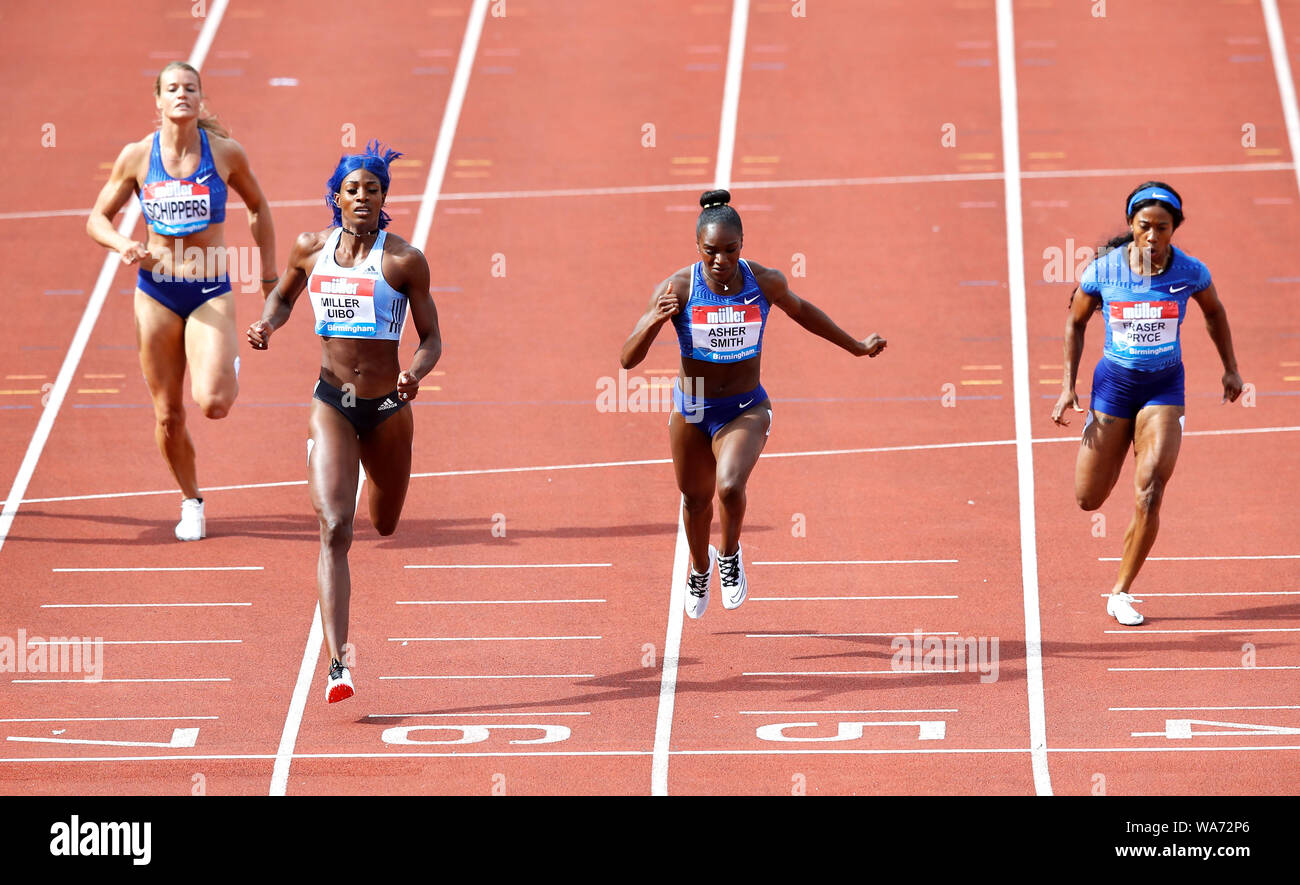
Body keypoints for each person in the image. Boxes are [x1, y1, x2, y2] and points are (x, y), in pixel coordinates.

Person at [620, 190, 887, 619]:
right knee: (694, 500)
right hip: (693, 410)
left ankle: (728, 555)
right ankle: (700, 567)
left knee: (729, 485)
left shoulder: (764, 282)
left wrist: (855, 346)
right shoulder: (678, 288)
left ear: (742, 245)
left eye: (730, 250)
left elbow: (804, 313)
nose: (721, 260)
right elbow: (627, 359)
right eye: (712, 252)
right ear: (698, 249)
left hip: (745, 407)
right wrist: (654, 320)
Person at [246, 141, 442, 703]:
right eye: (352, 190)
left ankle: (383, 491)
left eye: (372, 189)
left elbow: (431, 338)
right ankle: (338, 665)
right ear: (337, 197)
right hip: (331, 403)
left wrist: (414, 374)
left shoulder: (404, 260)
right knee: (335, 527)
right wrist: (266, 324)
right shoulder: (311, 249)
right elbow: (283, 299)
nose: (362, 197)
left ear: (384, 197)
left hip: (387, 411)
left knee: (383, 524)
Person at [87, 61, 278, 541]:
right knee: (168, 414)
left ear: (199, 98)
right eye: (172, 88)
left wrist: (269, 273)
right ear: (158, 100)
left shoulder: (225, 154)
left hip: (209, 286)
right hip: (156, 293)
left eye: (189, 88)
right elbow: (96, 219)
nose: (181, 95)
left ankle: (225, 365)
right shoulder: (136, 157)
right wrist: (121, 244)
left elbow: (258, 205)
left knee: (213, 403)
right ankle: (191, 500)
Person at [1052, 181, 1242, 626]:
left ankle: (1120, 591)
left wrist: (1230, 367)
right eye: (1144, 227)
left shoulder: (1191, 272)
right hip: (1113, 387)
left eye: (1162, 228)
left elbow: (1215, 312)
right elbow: (1075, 322)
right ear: (1131, 226)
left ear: (1175, 228)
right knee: (1088, 499)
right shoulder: (1103, 272)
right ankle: (1111, 444)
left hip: (1164, 388)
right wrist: (1067, 385)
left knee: (1152, 488)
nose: (1153, 237)